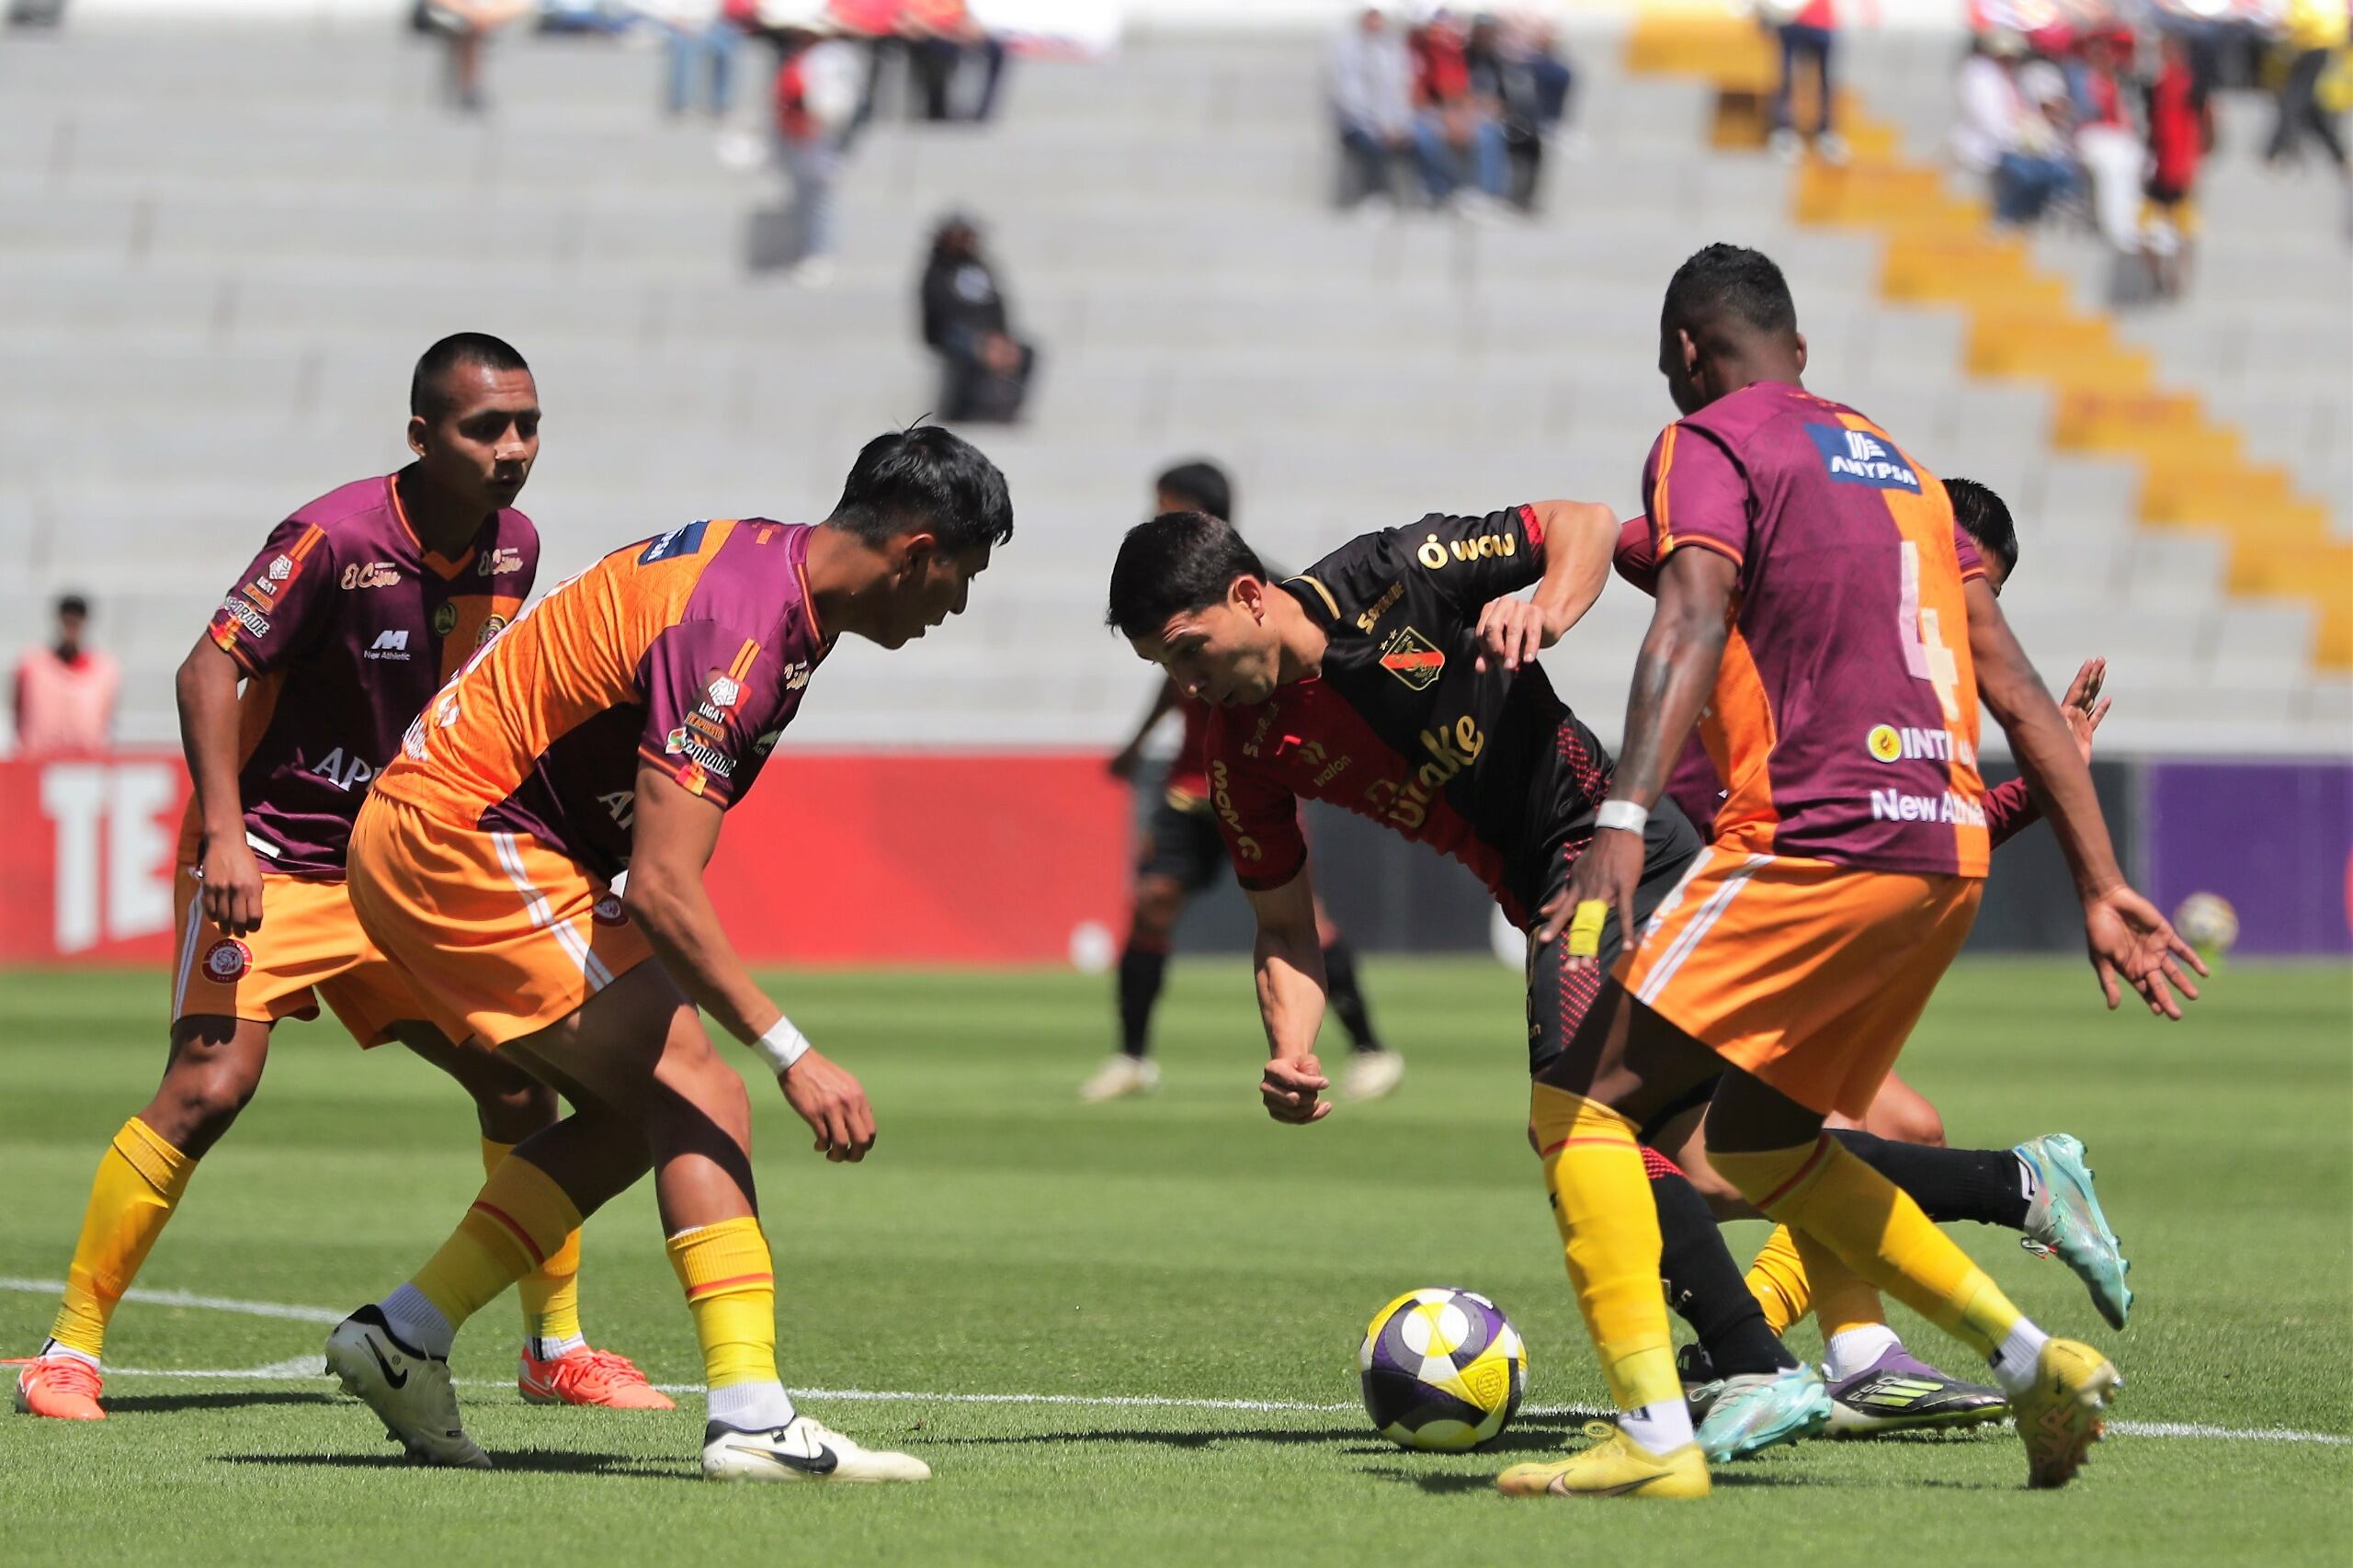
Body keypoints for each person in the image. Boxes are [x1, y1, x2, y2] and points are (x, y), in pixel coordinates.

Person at [1105, 490, 2132, 1466]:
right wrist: (1290, 1044)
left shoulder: (1393, 573)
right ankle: (2020, 1184)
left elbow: (1582, 523)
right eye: (1168, 668)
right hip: (1564, 882)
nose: (1190, 685)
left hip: (1607, 852)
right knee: (1723, 1163)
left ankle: (1751, 1367)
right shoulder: (1246, 750)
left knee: (1573, 1116)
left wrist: (1546, 605)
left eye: (1189, 653)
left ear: (1246, 596)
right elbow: (1283, 925)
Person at [1503, 243, 2200, 1499]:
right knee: (1768, 1146)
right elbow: (2018, 682)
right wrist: (2101, 877)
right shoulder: (1908, 472)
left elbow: (1690, 611)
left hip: (1811, 839)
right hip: (1941, 860)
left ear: (1682, 356)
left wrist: (1620, 809)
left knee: (1581, 1105)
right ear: (1804, 351)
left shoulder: (1709, 439)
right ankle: (2032, 1356)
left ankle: (1657, 1436)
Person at [320, 426, 1011, 1481]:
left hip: (452, 829)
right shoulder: (742, 627)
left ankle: (405, 1333)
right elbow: (665, 886)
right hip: (464, 835)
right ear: (915, 552)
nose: (954, 607)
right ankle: (749, 1417)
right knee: (703, 1089)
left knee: (627, 1118)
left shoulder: (766, 568)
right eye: (960, 578)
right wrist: (795, 1050)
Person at [13, 335, 671, 1422]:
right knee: (209, 1088)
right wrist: (223, 834)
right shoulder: (333, 536)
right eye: (484, 428)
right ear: (421, 437)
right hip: (270, 854)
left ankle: (555, 1345)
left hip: (403, 866)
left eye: (527, 425)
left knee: (521, 1081)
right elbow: (207, 666)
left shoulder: (516, 546)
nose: (512, 449)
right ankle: (67, 1349)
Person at [1628, 478, 2129, 1441]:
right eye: (1973, 584)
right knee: (1687, 1147)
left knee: (1883, 1127)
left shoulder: (1903, 669)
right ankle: (1884, 1309)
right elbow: (1632, 542)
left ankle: (1820, 1345)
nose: (1975, 612)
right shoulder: (1830, 608)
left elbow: (1901, 818)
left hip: (1772, 893)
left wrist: (2036, 783)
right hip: (1716, 884)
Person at [1090, 461, 1398, 1107]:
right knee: (1152, 902)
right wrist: (1138, 745)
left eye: (1163, 505)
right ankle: (1132, 1056)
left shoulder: (1264, 587)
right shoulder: (1174, 608)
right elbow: (1168, 679)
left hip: (1259, 776)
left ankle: (1370, 1048)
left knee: (1302, 919)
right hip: (1190, 782)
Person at [920, 214, 1036, 425]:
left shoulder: (982, 268)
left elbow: (997, 305)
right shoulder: (937, 271)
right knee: (966, 350)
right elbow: (940, 313)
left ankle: (1009, 409)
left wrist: (1000, 338)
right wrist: (981, 341)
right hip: (950, 335)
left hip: (989, 336)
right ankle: (958, 414)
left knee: (1027, 352)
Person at [772, 20, 862, 287]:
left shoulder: (834, 58)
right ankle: (811, 253)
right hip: (803, 139)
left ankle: (820, 256)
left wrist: (821, 123)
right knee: (806, 202)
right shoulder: (806, 57)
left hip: (823, 140)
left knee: (819, 203)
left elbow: (837, 104)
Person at [1410, 7, 1510, 210]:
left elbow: (1466, 94)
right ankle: (1439, 191)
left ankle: (1488, 194)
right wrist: (1452, 119)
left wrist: (1466, 117)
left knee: (1489, 135)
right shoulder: (1424, 55)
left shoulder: (1486, 59)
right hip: (1435, 113)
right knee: (1425, 136)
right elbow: (1428, 96)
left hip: (1465, 114)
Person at [1329, 6, 1418, 210]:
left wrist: (1399, 123)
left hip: (1391, 123)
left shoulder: (1391, 49)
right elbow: (1348, 95)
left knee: (1422, 139)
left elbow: (1401, 89)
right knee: (1371, 143)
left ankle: (1433, 195)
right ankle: (1375, 195)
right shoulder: (1346, 49)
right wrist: (1379, 125)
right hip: (1359, 122)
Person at [13, 594, 119, 757]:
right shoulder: (32, 664)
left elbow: (108, 719)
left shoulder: (105, 669)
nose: (71, 624)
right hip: (39, 761)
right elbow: (18, 712)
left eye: (76, 618)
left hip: (85, 765)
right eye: (67, 618)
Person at [2265, 0, 2350, 177]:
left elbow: (2297, 21)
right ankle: (2339, 155)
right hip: (2320, 48)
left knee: (2292, 102)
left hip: (2312, 49)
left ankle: (2285, 151)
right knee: (2308, 106)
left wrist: (2282, 25)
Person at [1766, 0, 1847, 164]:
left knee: (1826, 81)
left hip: (1824, 23)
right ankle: (1784, 131)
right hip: (1791, 21)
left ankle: (1825, 132)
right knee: (1786, 78)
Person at [419, 1, 531, 115]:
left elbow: (519, 6)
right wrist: (472, 15)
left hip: (481, 16)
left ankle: (469, 88)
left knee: (471, 29)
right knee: (469, 31)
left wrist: (485, 16)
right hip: (447, 14)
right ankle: (469, 88)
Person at [647, 0, 742, 119]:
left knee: (726, 48)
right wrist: (681, 23)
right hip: (678, 25)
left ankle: (721, 103)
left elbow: (716, 9)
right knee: (683, 48)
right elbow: (662, 9)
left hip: (708, 25)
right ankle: (680, 102)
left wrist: (703, 26)